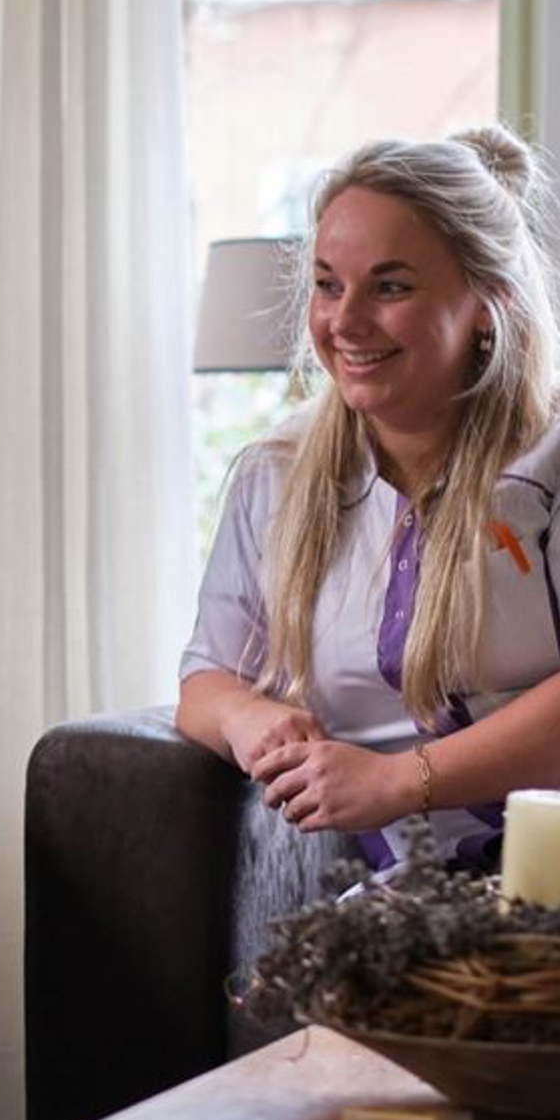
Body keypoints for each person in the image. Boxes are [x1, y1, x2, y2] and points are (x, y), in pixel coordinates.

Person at [177, 125, 560, 876]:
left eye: (390, 286)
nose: (344, 323)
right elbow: (205, 681)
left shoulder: (548, 468)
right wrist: (249, 718)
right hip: (388, 894)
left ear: (488, 303)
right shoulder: (275, 478)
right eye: (327, 284)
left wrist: (397, 780)